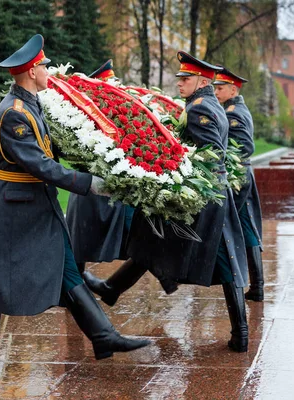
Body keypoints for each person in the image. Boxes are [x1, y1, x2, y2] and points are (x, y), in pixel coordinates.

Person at [0, 34, 149, 370]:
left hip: (37, 204)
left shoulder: (32, 103)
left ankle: (103, 336)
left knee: (66, 268)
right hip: (13, 207)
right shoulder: (13, 114)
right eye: (45, 67)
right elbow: (41, 165)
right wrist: (90, 183)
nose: (50, 73)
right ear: (33, 71)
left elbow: (50, 149)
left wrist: (95, 155)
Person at [86, 51, 250, 352]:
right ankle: (112, 288)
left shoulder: (200, 109)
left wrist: (177, 173)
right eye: (180, 78)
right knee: (155, 238)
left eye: (185, 79)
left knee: (220, 260)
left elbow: (208, 154)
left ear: (202, 81)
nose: (180, 84)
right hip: (213, 192)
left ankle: (241, 333)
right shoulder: (206, 104)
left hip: (204, 195)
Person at [66, 59, 136, 278]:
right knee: (80, 239)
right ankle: (72, 288)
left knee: (136, 238)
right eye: (109, 86)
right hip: (92, 185)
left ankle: (112, 286)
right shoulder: (86, 115)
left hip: (114, 186)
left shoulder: (119, 110)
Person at [213, 67, 264, 302]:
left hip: (238, 176)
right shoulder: (236, 108)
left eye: (220, 88)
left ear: (233, 89)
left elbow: (244, 146)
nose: (216, 91)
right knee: (247, 226)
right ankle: (258, 286)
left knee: (241, 225)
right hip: (244, 174)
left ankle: (255, 285)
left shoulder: (233, 112)